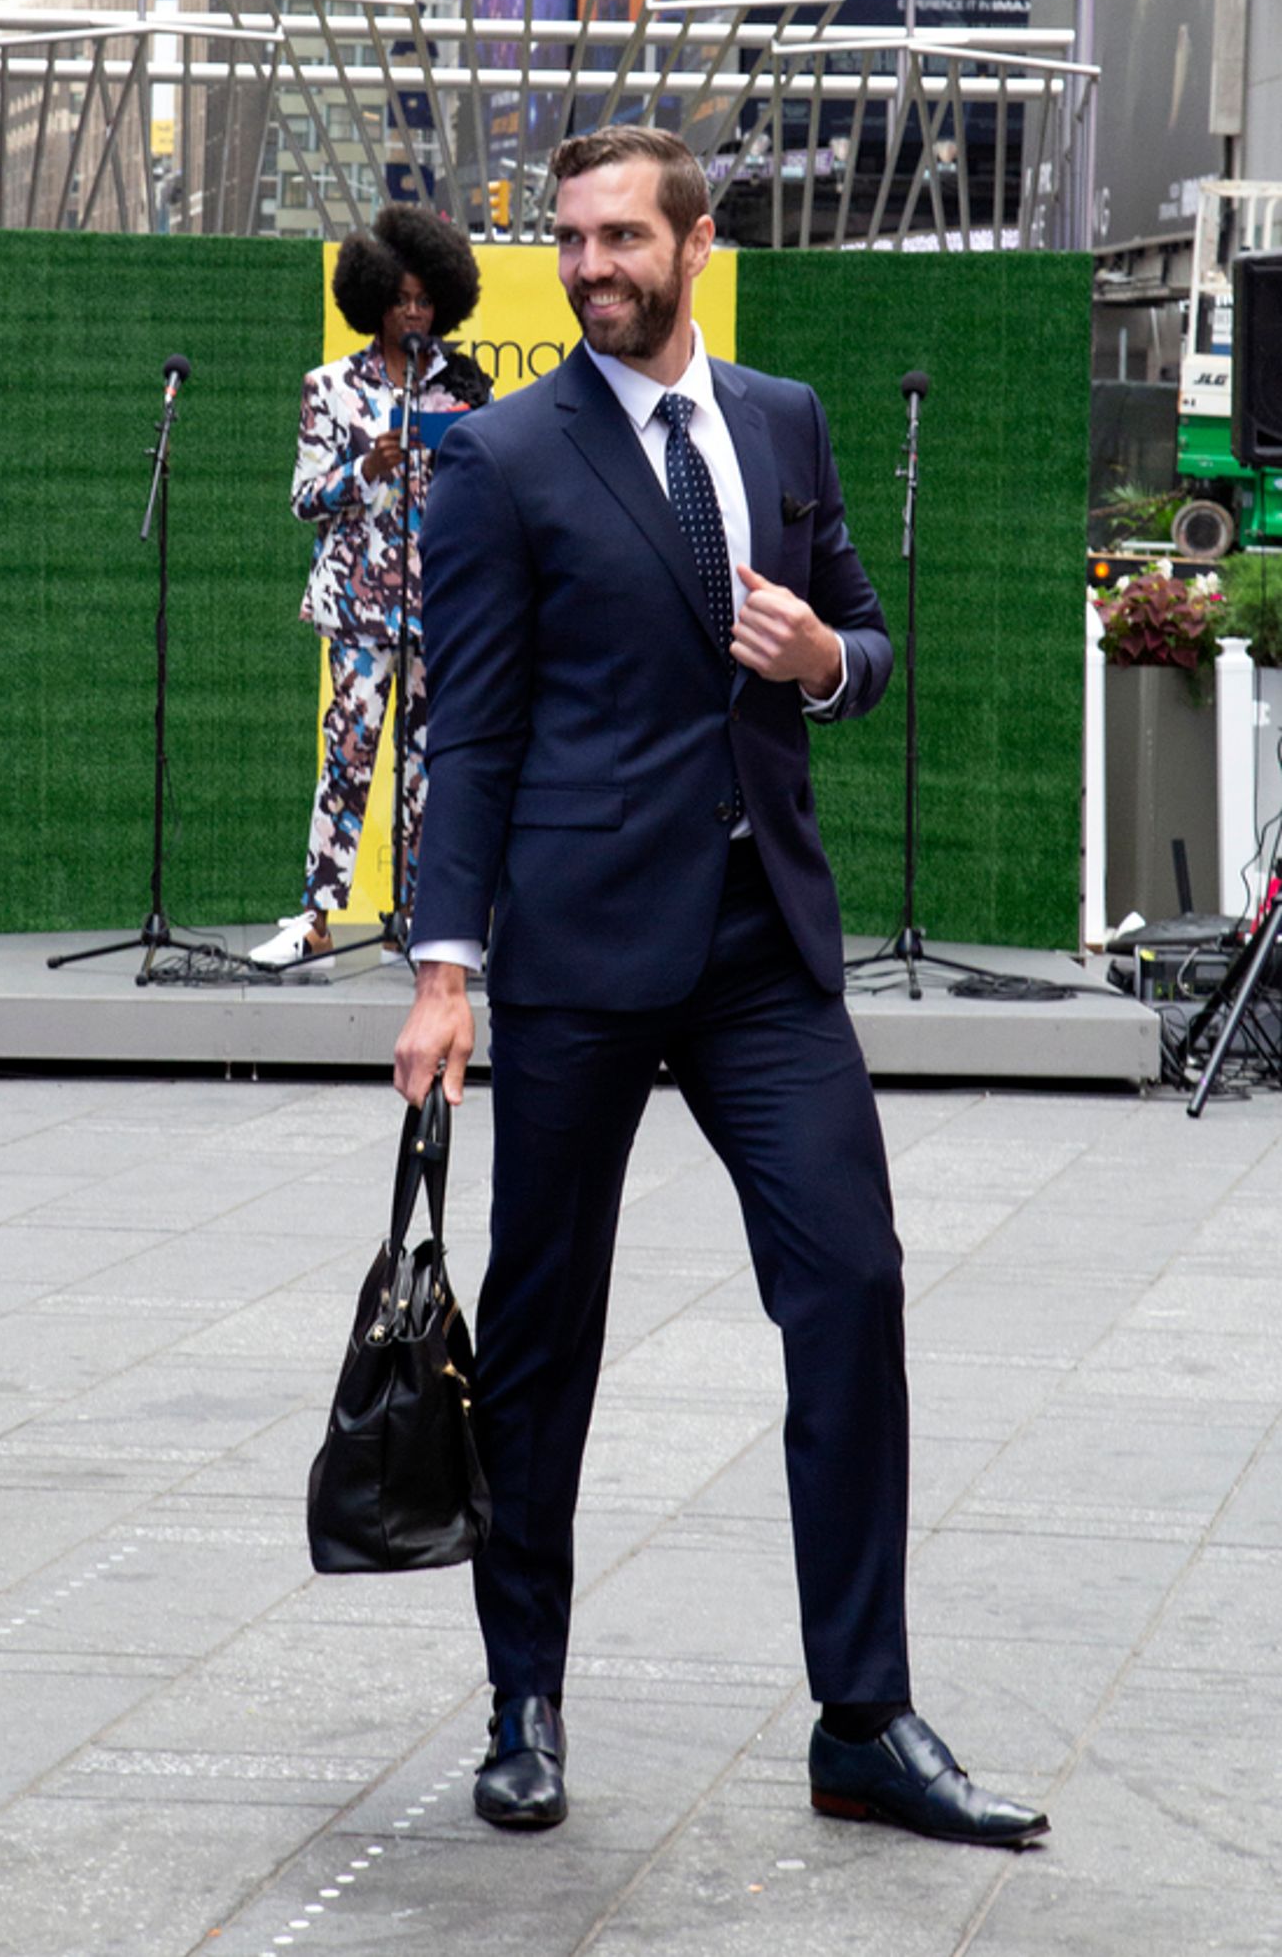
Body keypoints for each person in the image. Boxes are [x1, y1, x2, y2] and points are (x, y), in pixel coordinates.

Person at [393, 125, 1047, 1850]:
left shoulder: (781, 421)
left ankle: (865, 1719)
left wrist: (830, 663)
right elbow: (470, 734)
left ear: (694, 239)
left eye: (620, 238)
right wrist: (444, 969)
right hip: (579, 959)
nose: (589, 266)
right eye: (568, 241)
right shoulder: (497, 456)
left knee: (852, 1294)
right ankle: (522, 1701)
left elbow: (865, 634)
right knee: (543, 1343)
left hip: (766, 952)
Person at [250, 207, 491, 970]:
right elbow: (302, 497)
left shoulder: (464, 385)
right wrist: (366, 470)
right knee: (348, 759)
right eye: (400, 298)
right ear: (373, 300)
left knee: (430, 770)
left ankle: (419, 920)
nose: (413, 311)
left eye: (425, 299)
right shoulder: (330, 388)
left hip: (440, 608)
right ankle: (318, 919)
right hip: (358, 611)